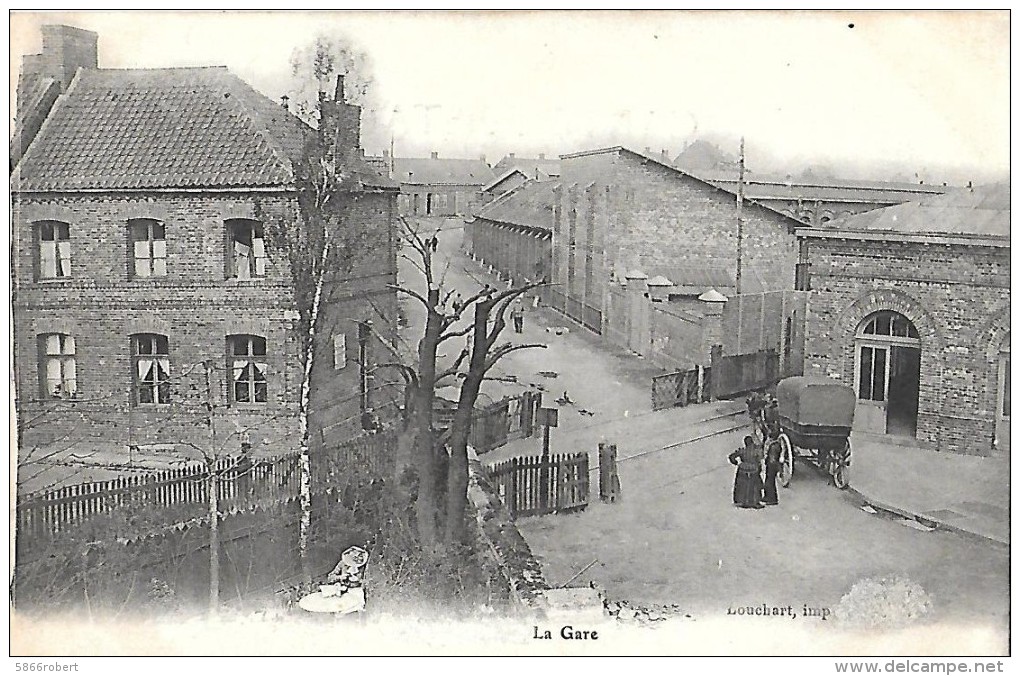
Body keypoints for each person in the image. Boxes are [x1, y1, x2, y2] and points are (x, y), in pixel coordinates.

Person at [728, 435, 764, 509]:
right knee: (755, 486)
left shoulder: (742, 450)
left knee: (742, 486)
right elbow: (760, 459)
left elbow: (731, 456)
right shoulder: (756, 450)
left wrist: (736, 463)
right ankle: (755, 502)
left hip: (743, 469)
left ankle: (741, 501)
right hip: (754, 470)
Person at [762, 430, 782, 506]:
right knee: (769, 481)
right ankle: (768, 496)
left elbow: (772, 458)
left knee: (770, 482)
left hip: (771, 465)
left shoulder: (774, 446)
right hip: (771, 465)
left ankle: (772, 499)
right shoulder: (776, 445)